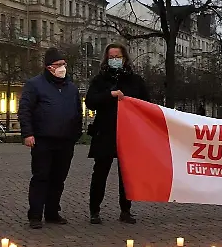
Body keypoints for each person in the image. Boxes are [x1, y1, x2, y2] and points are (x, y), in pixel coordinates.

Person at [85, 43, 149, 225]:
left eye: (117, 57)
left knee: (126, 175)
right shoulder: (100, 80)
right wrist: (110, 95)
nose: (114, 60)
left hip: (128, 133)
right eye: (111, 57)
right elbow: (90, 101)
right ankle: (94, 211)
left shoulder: (136, 81)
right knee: (100, 173)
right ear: (106, 59)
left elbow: (146, 105)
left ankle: (126, 210)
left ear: (125, 58)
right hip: (105, 132)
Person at [19, 47, 82, 229]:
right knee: (41, 177)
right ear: (49, 67)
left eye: (64, 64)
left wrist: (75, 133)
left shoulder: (71, 87)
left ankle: (53, 212)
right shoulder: (34, 85)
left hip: (65, 140)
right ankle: (35, 215)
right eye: (58, 64)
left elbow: (78, 112)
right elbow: (25, 110)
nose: (62, 67)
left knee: (58, 178)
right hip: (43, 139)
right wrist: (28, 133)